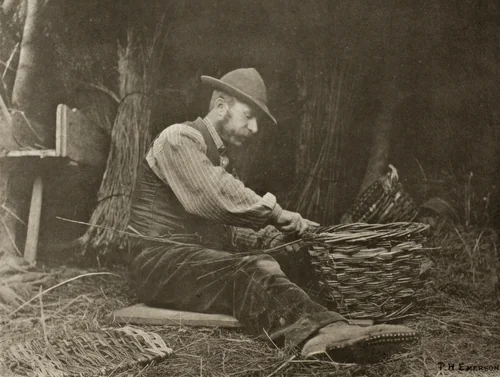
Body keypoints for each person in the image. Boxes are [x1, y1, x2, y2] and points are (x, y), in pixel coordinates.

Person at [127, 67, 419, 362]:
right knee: (249, 269)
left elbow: (224, 228)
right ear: (220, 105)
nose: (254, 128)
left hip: (189, 261)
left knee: (283, 259)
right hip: (158, 263)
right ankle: (317, 335)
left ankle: (342, 320)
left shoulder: (217, 158)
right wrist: (276, 214)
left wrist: (272, 237)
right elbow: (213, 196)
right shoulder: (178, 138)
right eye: (249, 115)